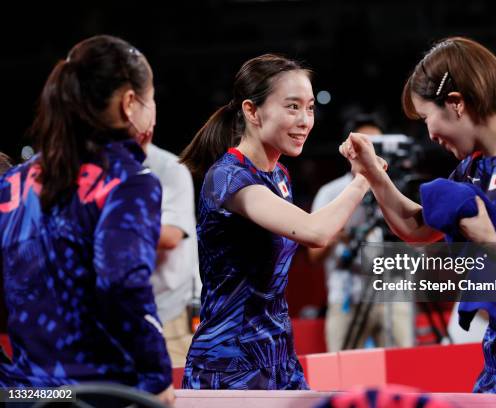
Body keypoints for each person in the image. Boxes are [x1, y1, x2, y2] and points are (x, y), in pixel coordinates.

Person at [339, 37, 496, 395]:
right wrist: (372, 172)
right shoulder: (473, 167)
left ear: (456, 103)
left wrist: (494, 243)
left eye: (427, 117)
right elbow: (416, 229)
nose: (430, 134)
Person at [180, 54, 382, 390]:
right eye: (292, 107)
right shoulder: (228, 177)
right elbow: (315, 232)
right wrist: (363, 178)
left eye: (310, 108)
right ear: (252, 111)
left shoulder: (280, 175)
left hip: (278, 354)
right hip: (230, 362)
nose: (305, 120)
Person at [0, 35, 174, 404]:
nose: (154, 110)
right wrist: (157, 376)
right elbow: (121, 283)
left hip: (20, 393)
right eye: (152, 98)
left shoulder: (11, 182)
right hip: (99, 394)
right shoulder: (130, 181)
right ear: (130, 103)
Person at [309, 113, 414, 351]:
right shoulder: (330, 192)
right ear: (349, 148)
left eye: (376, 144)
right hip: (347, 296)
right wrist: (339, 231)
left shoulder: (397, 191)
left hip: (392, 295)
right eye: (364, 144)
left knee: (405, 375)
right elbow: (314, 255)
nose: (371, 151)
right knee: (341, 379)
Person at [143, 142, 200, 367]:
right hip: (120, 314)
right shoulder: (96, 167)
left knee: (173, 398)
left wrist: (108, 226)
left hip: (170, 312)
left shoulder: (167, 167)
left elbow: (170, 236)